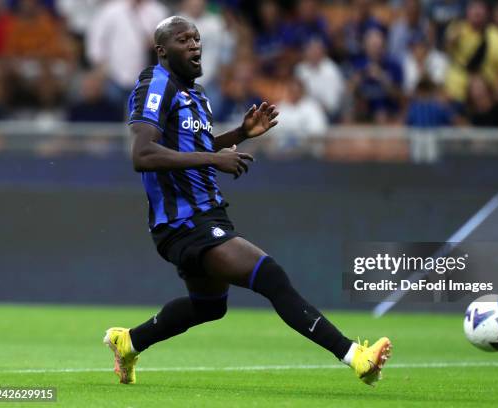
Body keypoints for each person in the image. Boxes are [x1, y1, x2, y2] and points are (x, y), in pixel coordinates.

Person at [104, 16, 391, 386]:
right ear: (162, 51)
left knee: (209, 306)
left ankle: (128, 342)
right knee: (270, 276)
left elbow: (193, 147)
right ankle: (356, 357)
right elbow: (142, 154)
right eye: (182, 40)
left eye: (196, 38)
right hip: (184, 221)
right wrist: (214, 159)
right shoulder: (156, 85)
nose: (194, 45)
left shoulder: (197, 94)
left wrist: (240, 134)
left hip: (204, 214)